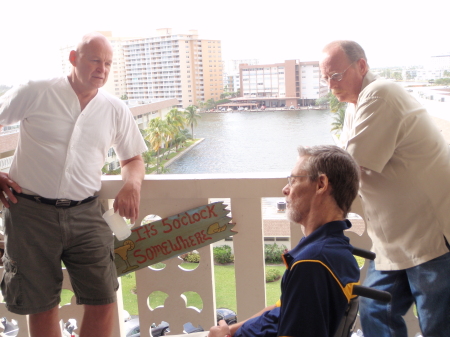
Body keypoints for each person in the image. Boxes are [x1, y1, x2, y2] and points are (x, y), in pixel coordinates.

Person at [0, 32, 147, 337]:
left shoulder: (115, 109)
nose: (102, 69)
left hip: (86, 215)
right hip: (29, 214)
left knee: (104, 299)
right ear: (73, 58)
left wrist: (132, 184)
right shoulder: (36, 91)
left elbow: (132, 157)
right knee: (41, 305)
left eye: (108, 63)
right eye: (95, 60)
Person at [319, 40, 450, 337]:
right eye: (325, 78)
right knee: (375, 312)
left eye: (336, 76)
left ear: (362, 66)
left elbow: (347, 165)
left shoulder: (381, 94)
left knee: (437, 325)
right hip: (393, 242)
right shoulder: (356, 105)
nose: (330, 85)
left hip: (431, 237)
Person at [209, 145, 360, 337]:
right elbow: (277, 310)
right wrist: (228, 331)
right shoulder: (326, 247)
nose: (285, 189)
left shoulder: (313, 264)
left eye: (293, 180)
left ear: (321, 184)